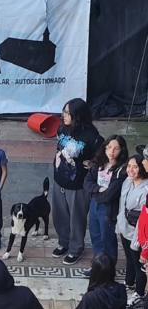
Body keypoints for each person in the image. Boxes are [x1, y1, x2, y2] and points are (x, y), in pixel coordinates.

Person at [52, 98, 103, 266]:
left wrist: (93, 164)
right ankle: (64, 242)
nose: (64, 115)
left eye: (68, 113)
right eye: (64, 112)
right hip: (59, 180)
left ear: (78, 115)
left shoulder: (92, 136)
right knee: (60, 215)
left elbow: (103, 158)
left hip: (79, 185)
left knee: (76, 218)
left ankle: (76, 249)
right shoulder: (62, 128)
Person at [84, 134, 127, 270]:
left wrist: (95, 194)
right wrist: (98, 189)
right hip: (94, 205)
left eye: (116, 149)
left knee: (107, 239)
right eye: (109, 147)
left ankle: (108, 271)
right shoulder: (99, 164)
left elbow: (110, 195)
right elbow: (87, 182)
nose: (111, 152)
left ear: (122, 151)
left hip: (108, 208)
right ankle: (97, 266)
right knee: (95, 236)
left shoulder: (121, 170)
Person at [117, 155, 148, 309]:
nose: (131, 170)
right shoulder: (127, 182)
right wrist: (120, 226)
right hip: (125, 228)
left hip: (138, 233)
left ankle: (140, 293)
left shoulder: (146, 189)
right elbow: (122, 206)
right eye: (129, 166)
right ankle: (129, 283)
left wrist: (137, 241)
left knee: (139, 265)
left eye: (135, 166)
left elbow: (143, 219)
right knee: (129, 258)